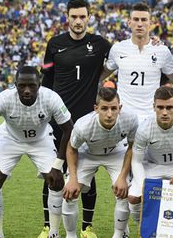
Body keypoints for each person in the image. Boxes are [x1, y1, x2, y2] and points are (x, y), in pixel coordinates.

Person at [41, 0, 112, 237]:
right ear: (67, 18)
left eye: (83, 17)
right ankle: (48, 227)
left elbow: (123, 55)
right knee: (53, 172)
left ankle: (87, 227)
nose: (78, 21)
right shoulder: (54, 44)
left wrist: (150, 41)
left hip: (88, 122)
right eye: (74, 17)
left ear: (89, 17)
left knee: (87, 176)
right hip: (58, 122)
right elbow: (46, 82)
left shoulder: (100, 44)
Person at [0, 66, 73, 237]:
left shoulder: (51, 98)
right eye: (22, 86)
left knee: (56, 180)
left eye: (32, 85)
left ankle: (53, 233)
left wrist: (58, 163)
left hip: (41, 140)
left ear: (39, 84)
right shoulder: (4, 98)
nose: (27, 90)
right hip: (10, 139)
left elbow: (68, 129)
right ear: (15, 84)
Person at [62, 87, 138, 238]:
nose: (109, 114)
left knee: (124, 191)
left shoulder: (130, 119)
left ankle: (119, 234)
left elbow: (132, 147)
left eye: (113, 108)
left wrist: (122, 177)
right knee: (70, 193)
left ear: (120, 108)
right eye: (104, 108)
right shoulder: (83, 125)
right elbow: (71, 148)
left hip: (116, 153)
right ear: (96, 109)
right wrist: (72, 179)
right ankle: (70, 235)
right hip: (87, 153)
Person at [100, 2, 173, 119]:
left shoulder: (162, 51)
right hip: (123, 117)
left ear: (150, 23)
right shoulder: (118, 49)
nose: (140, 24)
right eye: (136, 19)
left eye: (144, 20)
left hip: (150, 117)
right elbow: (101, 74)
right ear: (129, 23)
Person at [128, 86, 173, 225]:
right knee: (133, 198)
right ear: (153, 107)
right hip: (153, 166)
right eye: (160, 107)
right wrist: (144, 183)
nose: (165, 112)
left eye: (169, 107)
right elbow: (136, 161)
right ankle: (144, 228)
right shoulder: (144, 129)